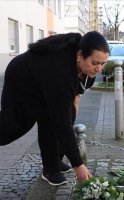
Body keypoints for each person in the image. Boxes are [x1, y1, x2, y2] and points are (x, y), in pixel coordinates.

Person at [0, 31, 110, 186]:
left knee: (55, 117)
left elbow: (76, 95)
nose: (99, 69)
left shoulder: (86, 69)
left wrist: (73, 108)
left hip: (47, 81)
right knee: (12, 127)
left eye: (103, 63)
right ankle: (51, 167)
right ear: (80, 55)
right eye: (95, 63)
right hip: (23, 80)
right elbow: (62, 125)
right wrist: (78, 165)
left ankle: (52, 166)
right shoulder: (60, 71)